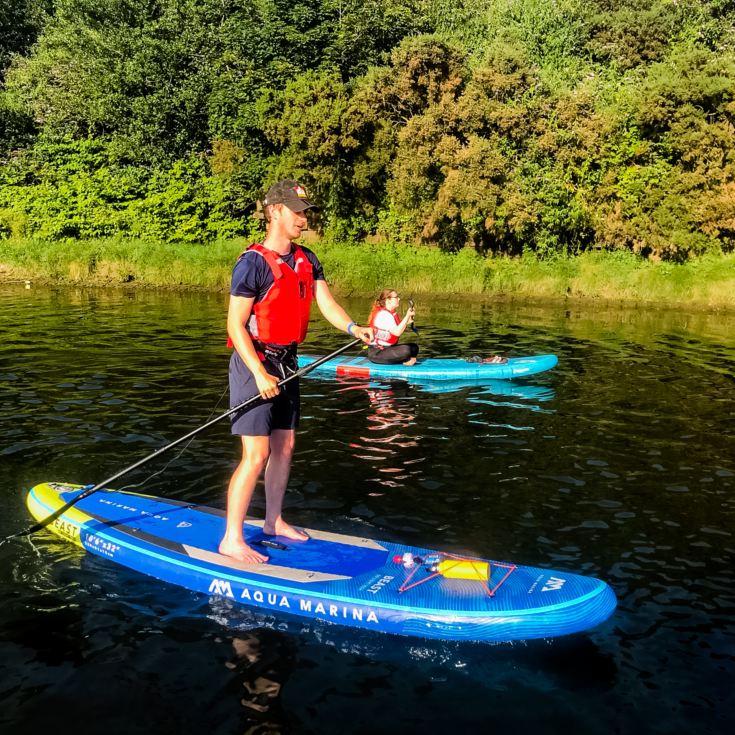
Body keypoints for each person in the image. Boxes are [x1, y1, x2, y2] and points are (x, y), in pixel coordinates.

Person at [219, 179, 373, 563]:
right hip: (254, 363)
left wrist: (355, 328)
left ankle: (273, 521)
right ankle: (231, 539)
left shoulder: (307, 258)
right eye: (297, 211)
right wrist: (258, 372)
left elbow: (326, 302)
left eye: (305, 211)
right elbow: (235, 326)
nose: (304, 218)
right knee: (255, 454)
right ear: (275, 212)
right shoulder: (251, 263)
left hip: (288, 362)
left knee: (284, 447)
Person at [367, 289, 420, 366]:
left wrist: (408, 320)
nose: (399, 299)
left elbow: (398, 327)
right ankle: (405, 360)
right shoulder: (384, 314)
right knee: (406, 351)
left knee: (414, 347)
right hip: (377, 352)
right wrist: (407, 315)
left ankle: (406, 360)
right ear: (388, 300)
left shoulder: (391, 313)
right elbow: (397, 332)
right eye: (396, 297)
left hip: (389, 348)